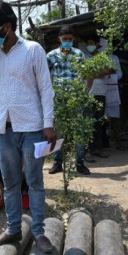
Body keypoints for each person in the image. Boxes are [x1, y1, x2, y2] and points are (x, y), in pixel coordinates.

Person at [0, 0, 57, 253]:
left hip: (32, 128)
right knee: (10, 184)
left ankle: (39, 232)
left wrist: (48, 124)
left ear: (7, 27)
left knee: (34, 182)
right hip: (4, 130)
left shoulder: (33, 50)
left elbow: (45, 88)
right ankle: (12, 229)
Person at [47, 25, 90, 175]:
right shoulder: (51, 55)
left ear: (74, 40)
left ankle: (79, 163)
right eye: (64, 39)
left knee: (79, 132)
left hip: (75, 99)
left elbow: (88, 74)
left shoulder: (79, 55)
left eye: (70, 39)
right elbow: (44, 76)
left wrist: (85, 93)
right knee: (58, 132)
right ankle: (57, 162)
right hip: (58, 99)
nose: (67, 41)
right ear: (59, 39)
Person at [83, 34, 115, 158]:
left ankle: (97, 148)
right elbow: (84, 74)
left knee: (98, 121)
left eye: (91, 43)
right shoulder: (84, 57)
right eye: (88, 43)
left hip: (100, 93)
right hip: (88, 93)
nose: (89, 46)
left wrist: (92, 73)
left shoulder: (102, 57)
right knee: (88, 122)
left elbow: (106, 71)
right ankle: (87, 150)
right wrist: (97, 73)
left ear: (97, 44)